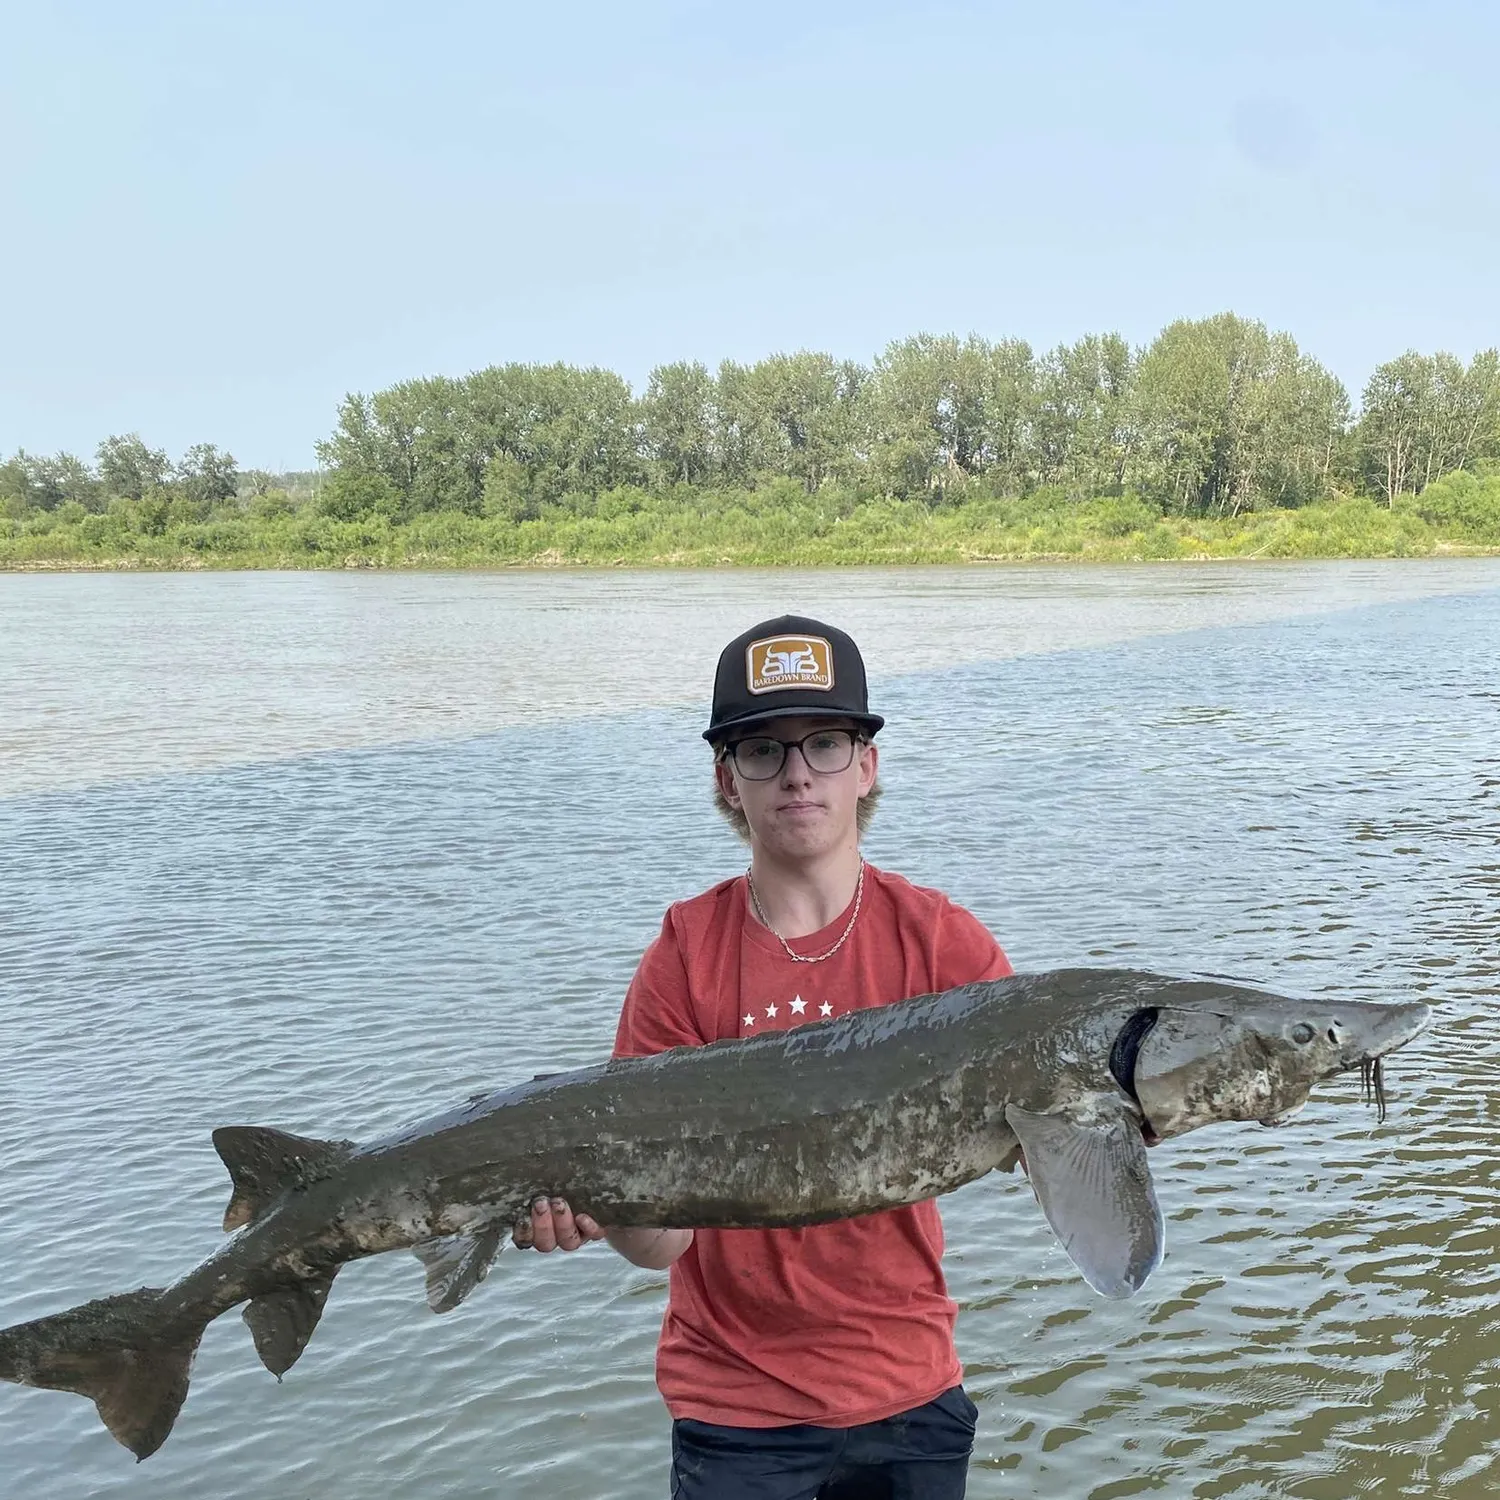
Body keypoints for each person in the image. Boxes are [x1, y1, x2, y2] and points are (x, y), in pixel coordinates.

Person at [518, 614, 1013, 1498]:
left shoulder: (944, 945)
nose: (796, 773)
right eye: (761, 750)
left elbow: (1035, 1138)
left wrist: (1120, 1122)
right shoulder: (685, 955)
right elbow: (661, 1244)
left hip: (913, 1393)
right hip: (736, 1413)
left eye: (825, 743)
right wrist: (594, 1204)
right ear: (726, 781)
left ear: (866, 766)